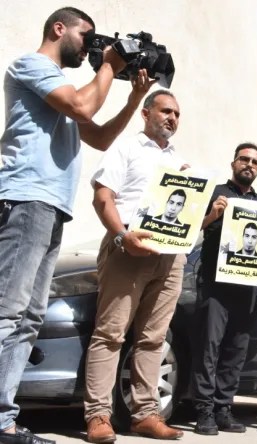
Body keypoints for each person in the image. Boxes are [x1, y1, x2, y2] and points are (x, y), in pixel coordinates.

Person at [0, 7, 152, 443]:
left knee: (28, 318)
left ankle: (5, 421)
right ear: (58, 29)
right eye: (86, 36)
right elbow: (84, 104)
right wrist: (110, 65)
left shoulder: (65, 90)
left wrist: (132, 99)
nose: (90, 45)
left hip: (50, 207)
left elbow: (99, 135)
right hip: (27, 197)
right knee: (8, 311)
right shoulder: (32, 66)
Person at [83, 90, 187, 443]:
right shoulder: (126, 148)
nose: (171, 117)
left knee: (153, 338)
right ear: (146, 114)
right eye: (165, 111)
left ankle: (145, 414)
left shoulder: (179, 161)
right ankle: (98, 415)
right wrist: (120, 237)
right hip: (128, 251)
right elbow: (102, 197)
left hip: (170, 258)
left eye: (176, 113)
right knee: (110, 334)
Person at [191, 143, 257, 435]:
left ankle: (223, 409)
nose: (249, 165)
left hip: (247, 290)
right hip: (215, 286)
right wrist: (211, 217)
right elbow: (191, 229)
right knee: (209, 348)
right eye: (244, 159)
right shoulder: (215, 193)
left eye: (255, 162)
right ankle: (203, 411)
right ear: (233, 163)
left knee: (236, 351)